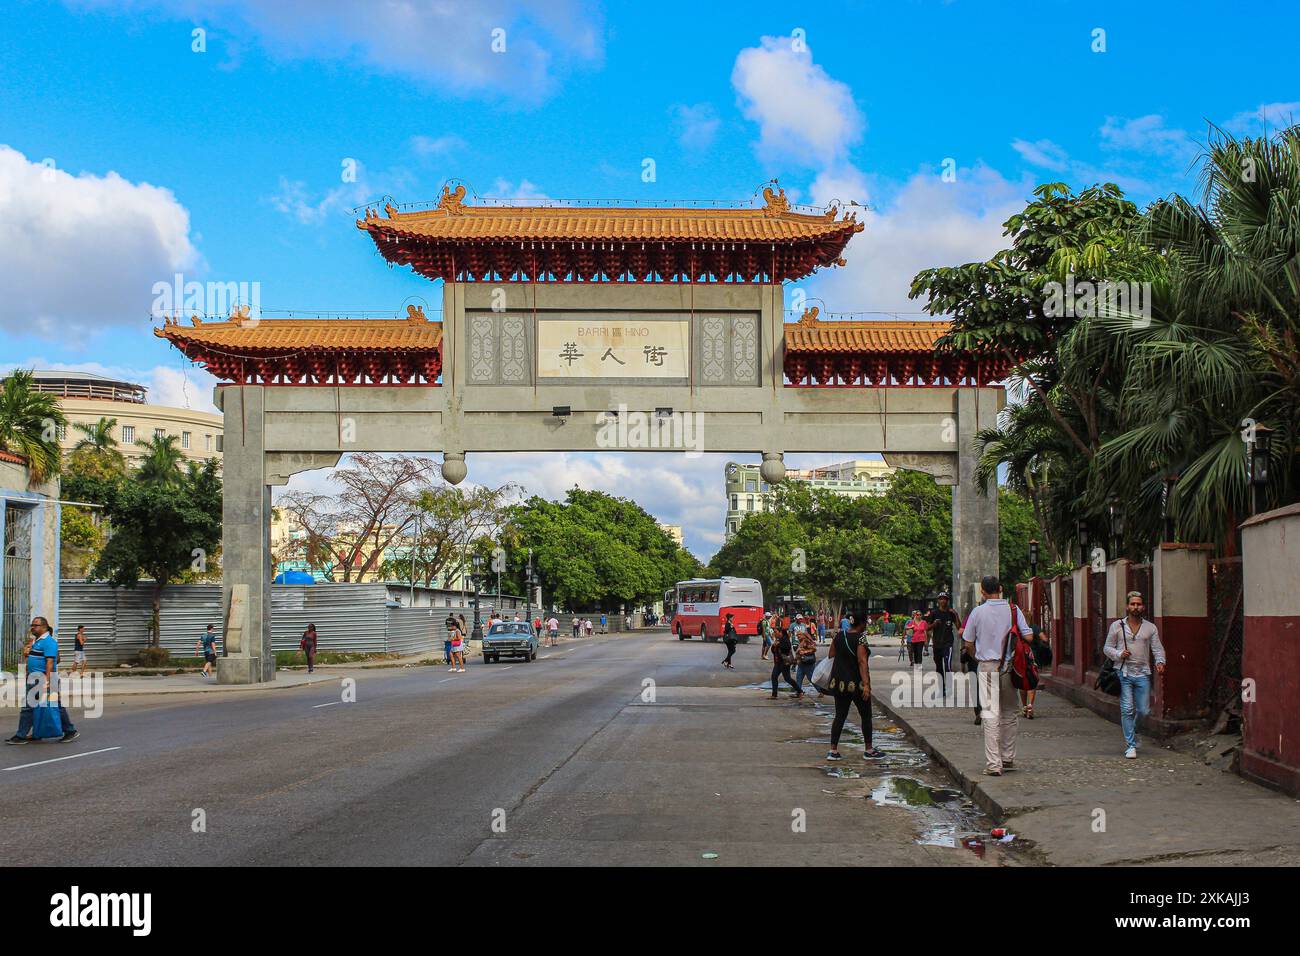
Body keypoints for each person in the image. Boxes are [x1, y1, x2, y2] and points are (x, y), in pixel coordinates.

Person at [960, 575, 1031, 776]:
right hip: (1009, 667)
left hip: (986, 666)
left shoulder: (977, 612)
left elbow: (967, 642)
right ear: (1000, 588)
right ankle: (1007, 757)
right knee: (1010, 712)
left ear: (982, 591)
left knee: (991, 715)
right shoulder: (1014, 610)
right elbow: (1028, 636)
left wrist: (978, 658)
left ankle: (993, 764)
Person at [1104, 591, 1167, 759]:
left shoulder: (1150, 628)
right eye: (1132, 604)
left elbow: (1157, 648)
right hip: (1123, 672)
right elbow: (1107, 648)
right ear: (1127, 606)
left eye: (1138, 604)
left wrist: (1160, 662)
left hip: (1143, 674)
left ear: (1143, 607)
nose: (1135, 607)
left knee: (1144, 710)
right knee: (1127, 709)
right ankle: (1130, 745)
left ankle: (1135, 729)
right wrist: (1119, 654)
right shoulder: (1117, 626)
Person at [7, 616, 79, 744]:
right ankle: (38, 733)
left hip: (44, 679)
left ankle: (21, 735)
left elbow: (50, 663)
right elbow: (47, 659)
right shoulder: (37, 641)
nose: (32, 627)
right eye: (32, 625)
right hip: (35, 678)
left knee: (39, 706)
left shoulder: (49, 642)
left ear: (44, 627)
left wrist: (46, 680)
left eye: (35, 625)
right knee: (38, 706)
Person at [825, 619, 884, 761]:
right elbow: (862, 661)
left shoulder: (839, 635)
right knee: (865, 716)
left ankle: (833, 751)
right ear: (861, 623)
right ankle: (869, 750)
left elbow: (831, 654)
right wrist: (867, 685)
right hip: (856, 684)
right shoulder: (861, 638)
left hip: (839, 683)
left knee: (840, 715)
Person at [925, 593, 960, 698]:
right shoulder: (934, 613)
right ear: (938, 601)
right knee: (939, 667)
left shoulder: (951, 613)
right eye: (941, 599)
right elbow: (927, 628)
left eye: (945, 599)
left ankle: (949, 689)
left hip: (947, 644)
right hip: (936, 644)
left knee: (948, 666)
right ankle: (941, 689)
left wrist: (956, 615)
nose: (943, 601)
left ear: (947, 601)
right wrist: (934, 624)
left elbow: (959, 627)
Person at [769, 621, 803, 700]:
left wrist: (778, 645)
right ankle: (774, 694)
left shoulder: (785, 639)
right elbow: (774, 651)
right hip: (778, 662)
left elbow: (787, 648)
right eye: (774, 632)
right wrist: (774, 646)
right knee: (774, 676)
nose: (774, 633)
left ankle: (800, 691)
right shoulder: (778, 639)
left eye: (775, 632)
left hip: (785, 662)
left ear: (780, 632)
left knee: (787, 678)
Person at [794, 621, 819, 694]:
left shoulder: (806, 641)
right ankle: (798, 692)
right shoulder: (801, 642)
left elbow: (814, 649)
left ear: (803, 635)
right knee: (798, 678)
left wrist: (805, 652)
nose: (798, 636)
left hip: (808, 663)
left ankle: (820, 691)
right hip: (801, 663)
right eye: (797, 635)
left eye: (799, 635)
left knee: (811, 679)